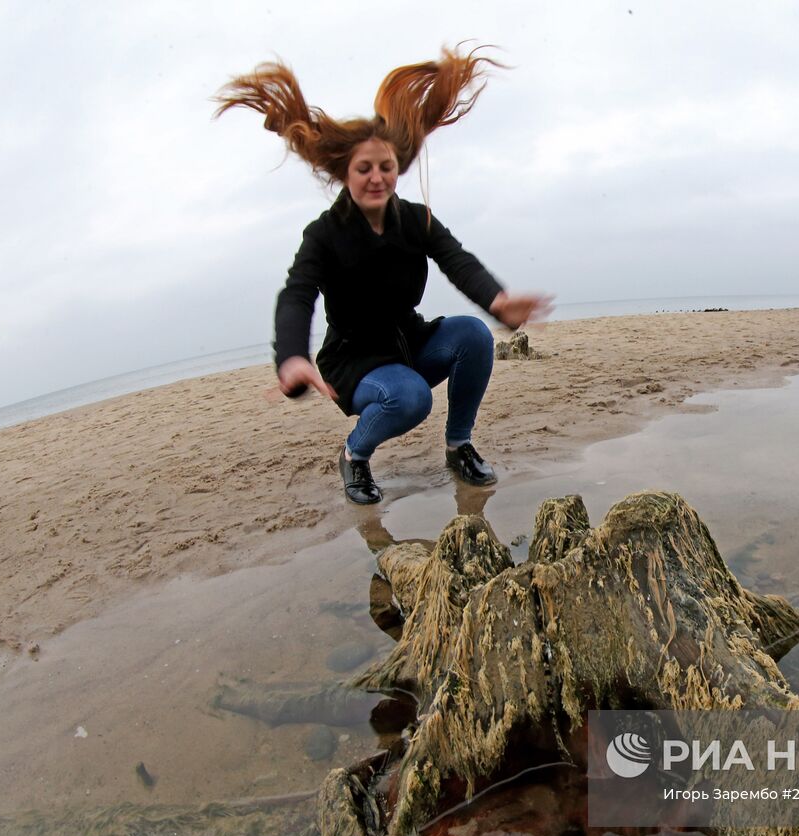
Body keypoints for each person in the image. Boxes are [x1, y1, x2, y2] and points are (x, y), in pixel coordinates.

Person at [214, 47, 551, 505]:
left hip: (406, 341)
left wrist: (497, 300)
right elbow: (296, 295)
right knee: (411, 398)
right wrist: (292, 356)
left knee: (473, 335)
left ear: (398, 168)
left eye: (385, 167)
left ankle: (459, 446)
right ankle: (354, 455)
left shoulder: (415, 220)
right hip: (354, 360)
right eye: (364, 168)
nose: (376, 177)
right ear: (345, 174)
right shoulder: (324, 234)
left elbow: (458, 261)